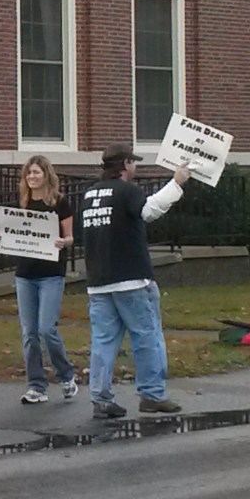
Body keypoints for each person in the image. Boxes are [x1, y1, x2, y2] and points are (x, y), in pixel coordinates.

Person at [82, 142, 190, 419]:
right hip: (131, 280)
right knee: (147, 337)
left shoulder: (90, 194)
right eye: (134, 162)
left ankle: (101, 399)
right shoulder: (127, 191)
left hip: (98, 281)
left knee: (104, 342)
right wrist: (176, 184)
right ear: (126, 164)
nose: (136, 167)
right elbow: (149, 211)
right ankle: (152, 394)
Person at [0, 155, 78, 404]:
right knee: (29, 333)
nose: (32, 177)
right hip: (25, 274)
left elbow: (71, 237)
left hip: (51, 273)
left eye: (36, 172)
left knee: (46, 329)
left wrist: (63, 242)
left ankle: (66, 376)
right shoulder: (21, 203)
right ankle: (36, 386)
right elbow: (12, 234)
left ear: (46, 175)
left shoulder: (60, 203)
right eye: (28, 173)